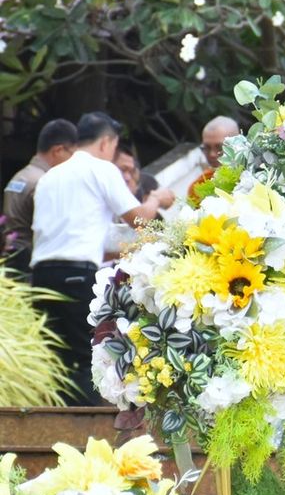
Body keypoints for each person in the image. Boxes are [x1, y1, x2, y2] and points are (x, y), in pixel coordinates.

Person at [29, 112, 175, 403]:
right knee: (86, 358)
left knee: (54, 362)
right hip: (76, 275)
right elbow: (141, 220)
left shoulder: (50, 176)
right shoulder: (100, 169)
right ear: (107, 142)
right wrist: (156, 199)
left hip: (41, 277)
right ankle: (82, 427)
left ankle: (48, 425)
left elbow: (75, 235)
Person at [3, 118, 78, 268]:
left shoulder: (21, 176)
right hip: (29, 263)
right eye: (73, 155)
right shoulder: (44, 182)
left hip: (9, 259)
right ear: (58, 151)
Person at [152, 116, 239, 206]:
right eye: (207, 147)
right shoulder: (198, 186)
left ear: (237, 145)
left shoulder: (247, 176)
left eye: (220, 147)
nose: (212, 154)